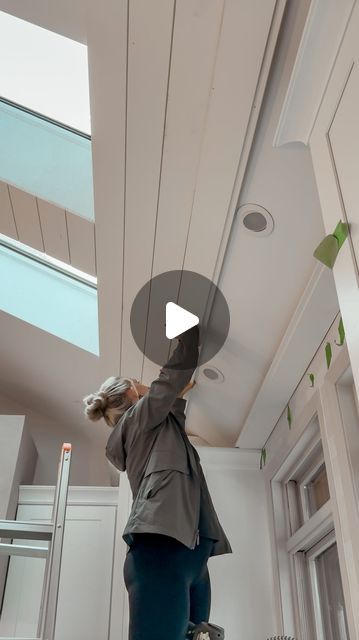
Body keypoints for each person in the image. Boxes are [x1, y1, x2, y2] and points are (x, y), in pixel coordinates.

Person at [83, 325, 232, 640]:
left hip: (191, 555)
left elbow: (173, 414)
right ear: (131, 395)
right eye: (142, 385)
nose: (149, 388)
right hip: (161, 553)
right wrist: (187, 333)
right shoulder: (139, 417)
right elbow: (172, 377)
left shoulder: (149, 427)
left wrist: (177, 395)